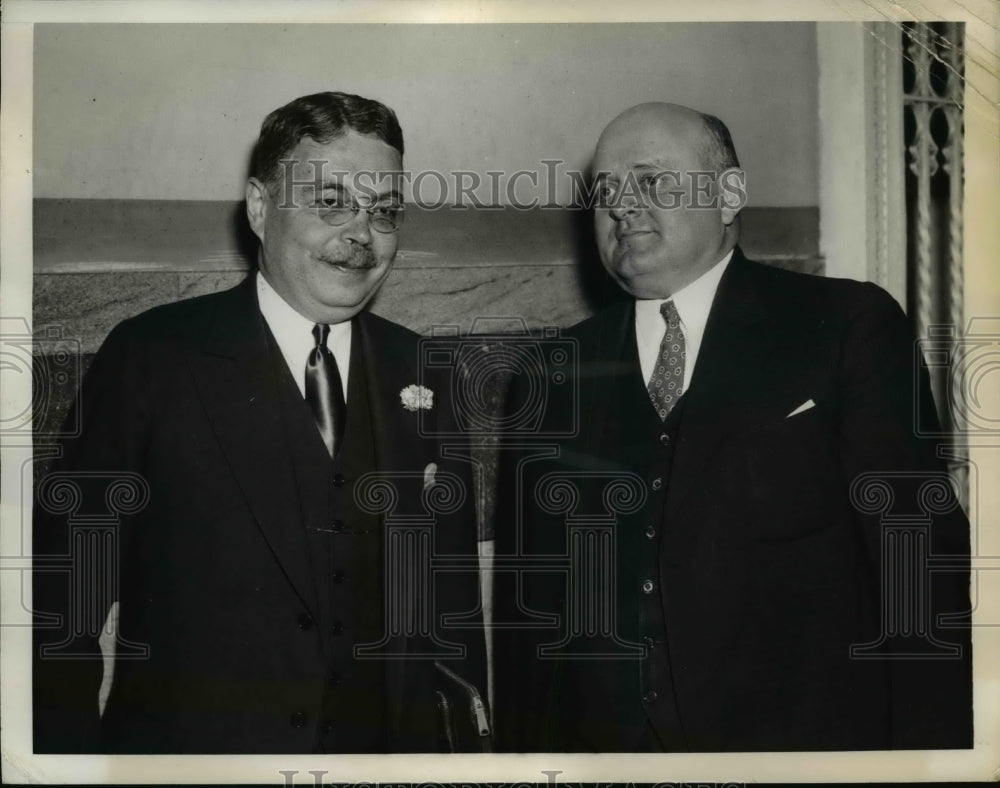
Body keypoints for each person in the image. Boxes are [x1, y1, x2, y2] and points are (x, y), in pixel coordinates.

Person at [493, 102, 972, 752]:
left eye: (652, 181)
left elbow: (917, 566)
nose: (622, 205)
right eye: (605, 191)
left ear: (729, 195)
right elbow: (528, 622)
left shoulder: (846, 326)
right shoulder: (549, 374)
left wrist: (930, 757)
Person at [33, 92, 488, 754]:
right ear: (258, 207)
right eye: (330, 202)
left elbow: (455, 629)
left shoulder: (428, 373)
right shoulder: (151, 358)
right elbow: (58, 608)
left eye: (384, 211)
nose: (361, 234)